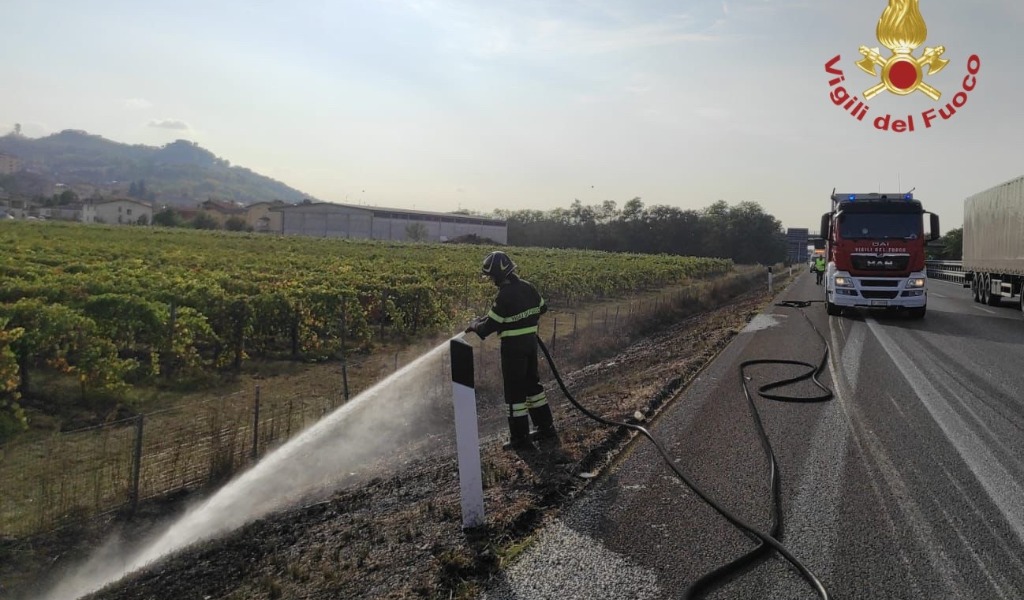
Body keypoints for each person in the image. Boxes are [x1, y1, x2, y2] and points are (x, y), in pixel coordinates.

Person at [465, 251, 558, 452]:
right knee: (533, 387)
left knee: (514, 392)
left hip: (513, 350)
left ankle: (520, 438)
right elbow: (542, 308)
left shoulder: (504, 295)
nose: (491, 281)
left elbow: (488, 327)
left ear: (498, 275)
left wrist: (475, 325)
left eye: (491, 277)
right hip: (530, 345)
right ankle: (546, 427)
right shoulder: (527, 287)